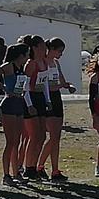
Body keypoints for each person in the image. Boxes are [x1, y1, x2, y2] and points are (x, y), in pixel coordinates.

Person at [38, 38, 75, 183]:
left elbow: (61, 80)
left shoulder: (56, 63)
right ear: (51, 49)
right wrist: (61, 86)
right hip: (48, 98)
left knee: (56, 137)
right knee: (52, 136)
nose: (60, 54)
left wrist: (67, 86)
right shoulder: (44, 63)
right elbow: (47, 86)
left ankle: (51, 168)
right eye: (59, 51)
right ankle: (43, 167)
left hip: (57, 98)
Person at [0, 44, 29, 186]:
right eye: (26, 54)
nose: (28, 57)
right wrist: (4, 89)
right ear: (20, 56)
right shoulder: (9, 66)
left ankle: (16, 172)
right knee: (10, 142)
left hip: (18, 103)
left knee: (16, 141)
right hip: (9, 104)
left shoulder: (21, 68)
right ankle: (6, 175)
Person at [21, 35, 49, 180]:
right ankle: (28, 167)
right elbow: (24, 87)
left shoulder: (44, 62)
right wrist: (29, 104)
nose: (45, 48)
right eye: (43, 46)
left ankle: (35, 165)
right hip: (30, 98)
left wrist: (48, 100)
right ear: (35, 47)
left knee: (42, 135)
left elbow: (45, 84)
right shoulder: (30, 64)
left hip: (40, 99)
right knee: (34, 135)